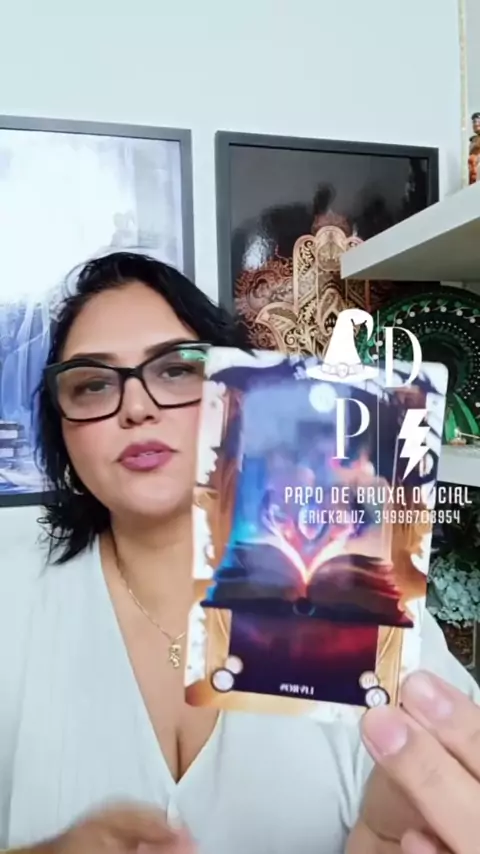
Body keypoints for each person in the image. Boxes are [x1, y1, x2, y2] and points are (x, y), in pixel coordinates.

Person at [0, 250, 478, 854]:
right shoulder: (12, 597)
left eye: (177, 370)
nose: (138, 407)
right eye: (93, 384)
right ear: (61, 430)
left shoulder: (365, 597)